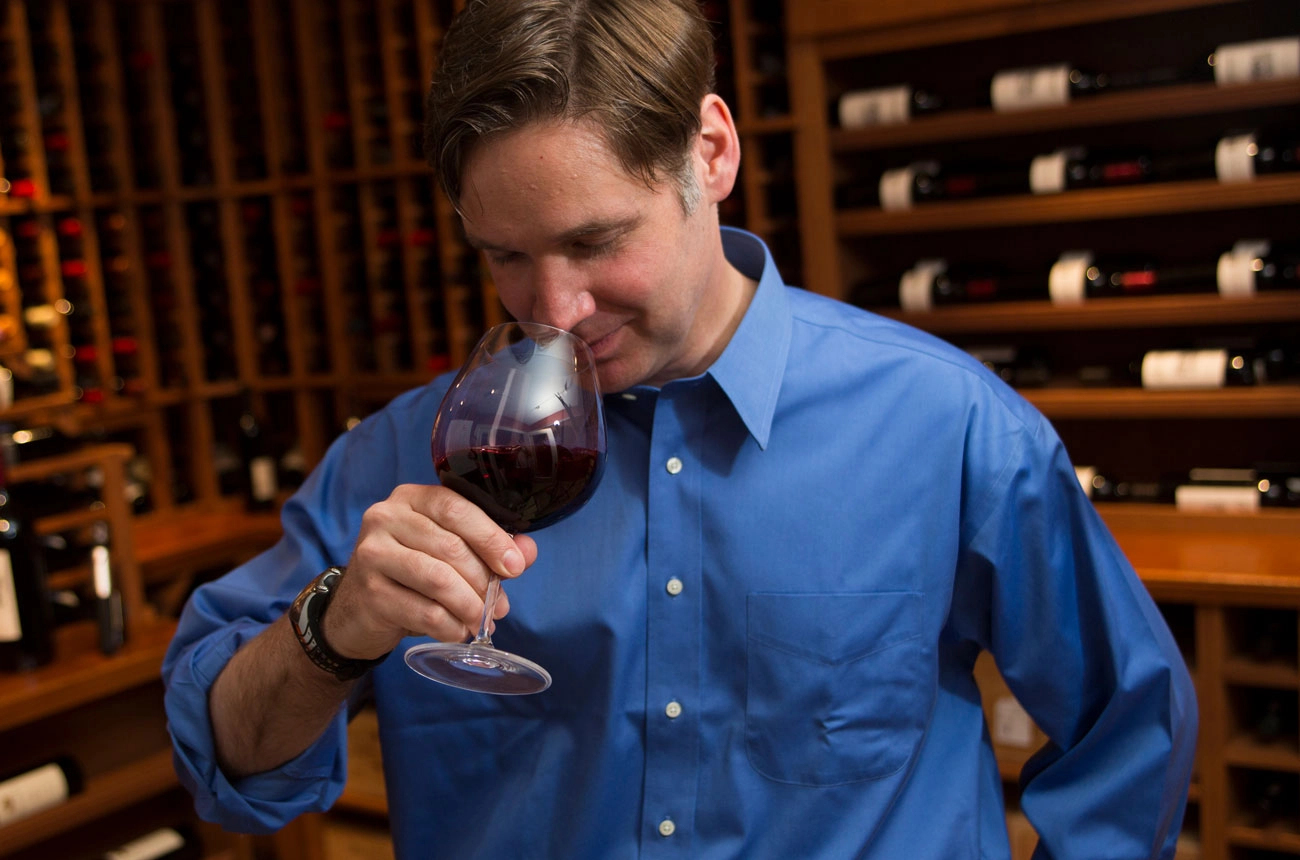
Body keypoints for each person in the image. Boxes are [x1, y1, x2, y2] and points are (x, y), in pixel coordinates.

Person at [162, 0, 1197, 857]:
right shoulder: (401, 459)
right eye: (505, 255)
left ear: (710, 151)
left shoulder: (948, 426)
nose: (554, 309)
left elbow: (1132, 725)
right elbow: (226, 764)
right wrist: (329, 630)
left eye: (596, 240)